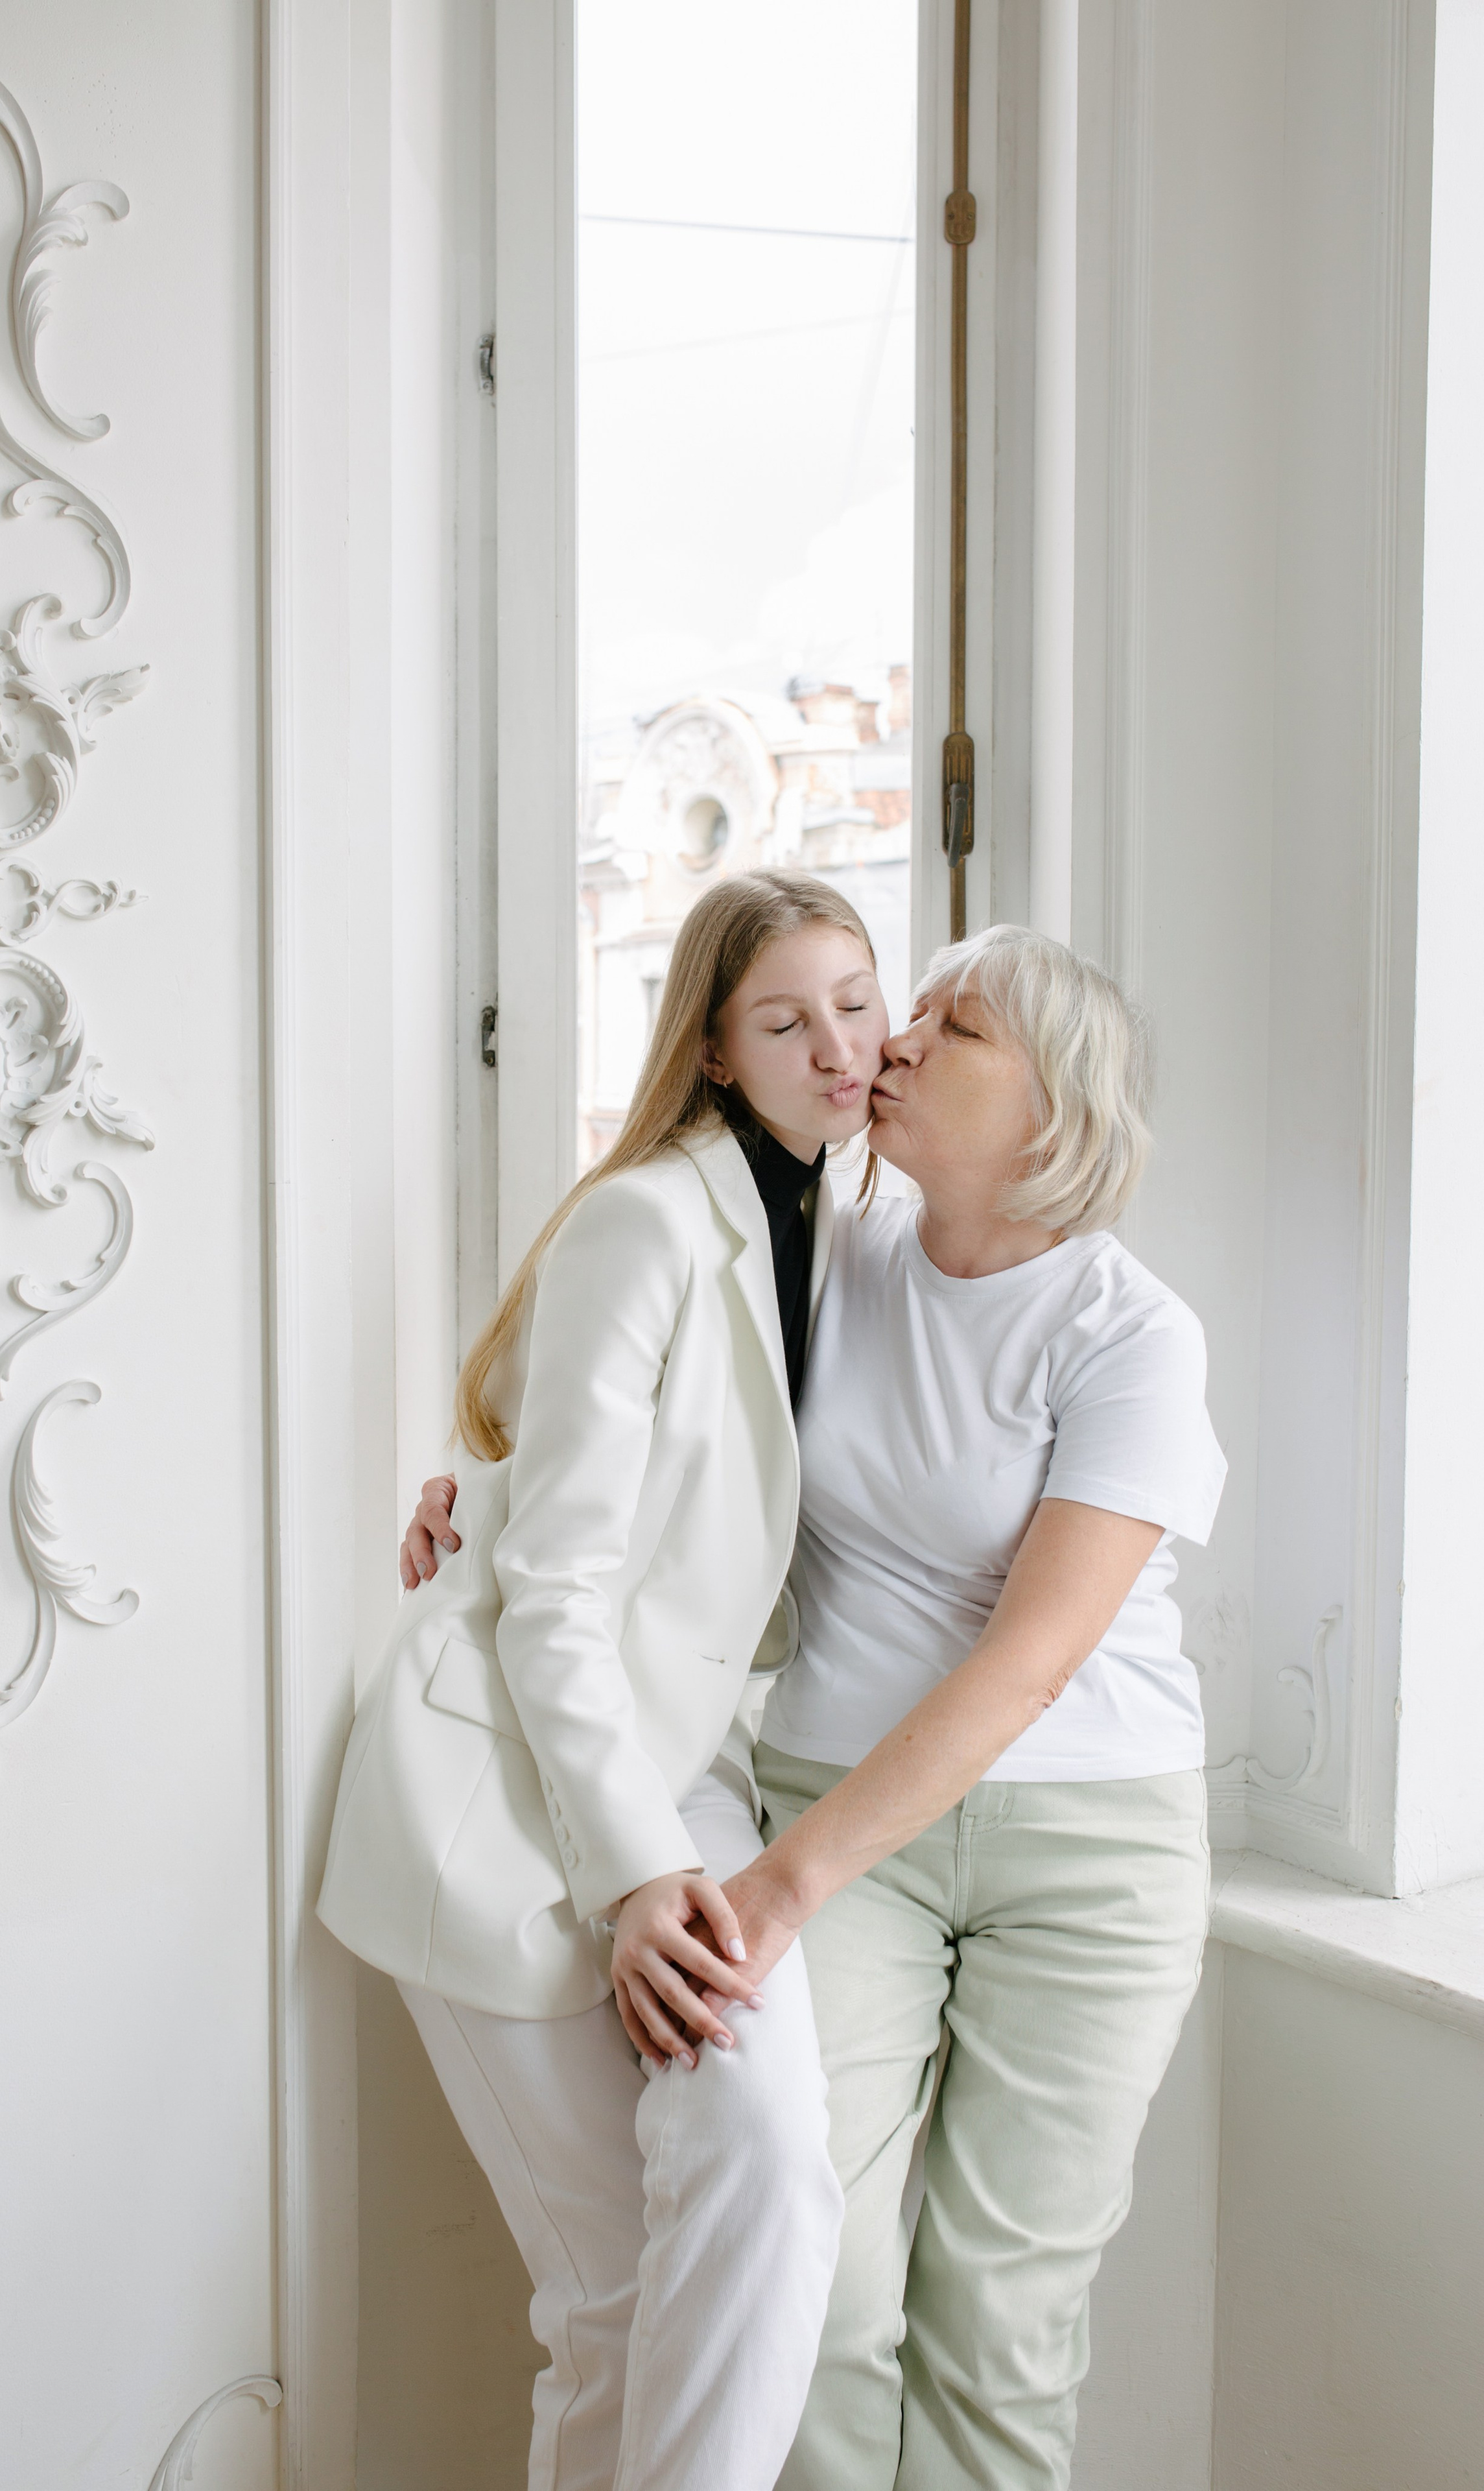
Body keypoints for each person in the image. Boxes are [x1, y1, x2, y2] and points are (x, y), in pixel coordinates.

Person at [408, 923, 1226, 2491]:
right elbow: (629, 1433)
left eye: (952, 1026)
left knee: (1001, 2322)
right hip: (848, 1817)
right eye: (898, 1011)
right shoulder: (821, 1259)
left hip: (1087, 1852)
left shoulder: (1129, 1334)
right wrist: (481, 1506)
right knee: (816, 2296)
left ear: (1051, 1105)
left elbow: (1027, 1661)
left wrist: (777, 1883)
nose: (893, 1041)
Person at [318, 870, 889, 2491]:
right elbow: (555, 1595)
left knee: (768, 2175)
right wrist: (644, 1879)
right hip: (495, 1783)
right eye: (783, 1020)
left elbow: (518, 1419)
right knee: (613, 2293)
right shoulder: (650, 1215)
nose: (835, 1046)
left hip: (683, 1765)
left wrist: (466, 1478)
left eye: (856, 999)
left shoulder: (848, 1222)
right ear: (712, 1050)